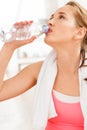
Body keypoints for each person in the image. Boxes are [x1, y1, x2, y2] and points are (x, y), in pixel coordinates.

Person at [0, 1, 87, 130]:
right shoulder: (38, 70)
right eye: (51, 17)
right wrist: (9, 47)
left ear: (80, 33)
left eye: (61, 17)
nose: (50, 22)